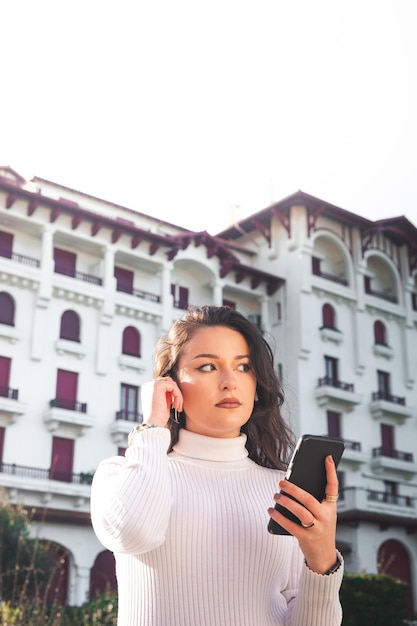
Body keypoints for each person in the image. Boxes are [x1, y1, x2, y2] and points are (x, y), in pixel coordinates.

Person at [91, 305, 343, 625]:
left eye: (243, 367)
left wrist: (322, 561)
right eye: (208, 366)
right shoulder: (121, 476)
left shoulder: (283, 489)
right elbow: (134, 532)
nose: (229, 382)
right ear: (171, 385)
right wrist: (153, 425)